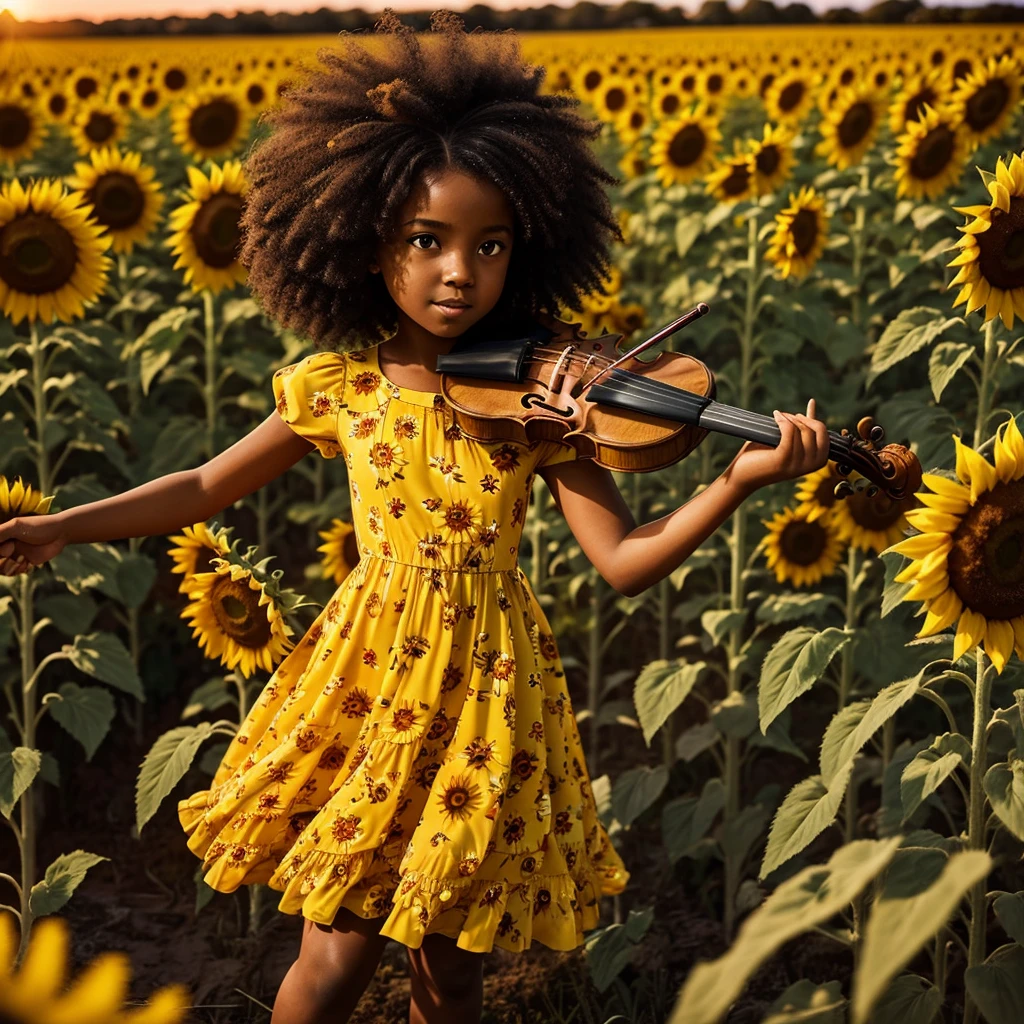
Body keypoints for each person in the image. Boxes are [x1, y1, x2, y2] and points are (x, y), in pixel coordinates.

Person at [0, 10, 829, 1024]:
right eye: (426, 241)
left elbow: (620, 560)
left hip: (489, 699)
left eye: (490, 246)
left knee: (455, 965)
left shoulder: (545, 406)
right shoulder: (339, 386)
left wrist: (734, 481)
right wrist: (62, 526)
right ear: (361, 240)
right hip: (372, 677)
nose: (458, 272)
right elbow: (205, 486)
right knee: (336, 950)